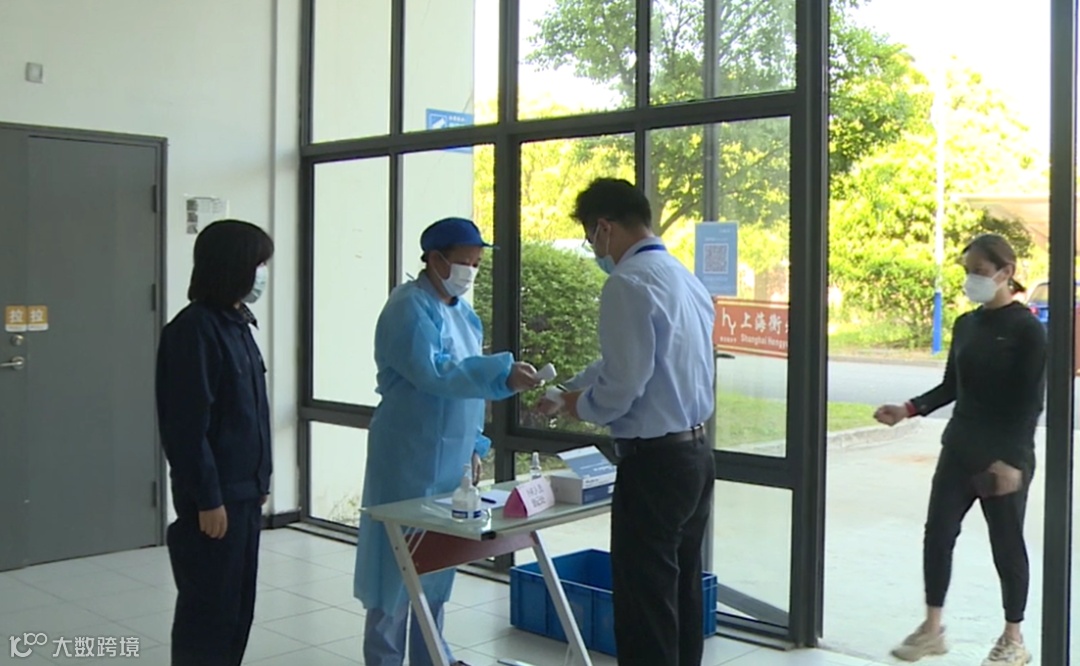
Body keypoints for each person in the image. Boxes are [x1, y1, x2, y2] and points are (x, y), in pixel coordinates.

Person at [539, 178, 717, 666]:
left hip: (654, 464)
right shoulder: (682, 277)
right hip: (694, 456)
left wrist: (577, 405)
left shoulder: (626, 283)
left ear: (604, 227)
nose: (594, 248)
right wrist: (569, 389)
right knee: (680, 589)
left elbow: (622, 385)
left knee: (645, 604)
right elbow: (627, 362)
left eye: (589, 236)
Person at [354, 217, 541, 666]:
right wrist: (502, 373)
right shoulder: (408, 308)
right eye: (464, 262)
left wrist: (474, 445)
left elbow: (467, 386)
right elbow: (436, 373)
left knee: (436, 563)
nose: (470, 272)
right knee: (396, 564)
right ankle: (384, 659)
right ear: (435, 259)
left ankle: (432, 657)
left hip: (451, 458)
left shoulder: (462, 313)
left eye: (476, 263)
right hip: (407, 453)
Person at [875, 234, 1045, 666]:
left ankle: (1013, 638)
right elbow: (951, 386)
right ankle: (932, 629)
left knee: (1006, 543)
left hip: (1002, 458)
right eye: (968, 272)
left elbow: (1030, 403)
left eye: (981, 272)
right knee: (938, 533)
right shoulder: (966, 325)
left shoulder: (1027, 330)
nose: (972, 280)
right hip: (960, 448)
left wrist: (1013, 461)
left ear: (1006, 273)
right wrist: (908, 409)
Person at [156, 220, 274, 666]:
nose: (263, 273)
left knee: (237, 609)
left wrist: (260, 480)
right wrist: (208, 498)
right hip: (215, 500)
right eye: (258, 263)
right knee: (208, 613)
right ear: (233, 266)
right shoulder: (193, 330)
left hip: (243, 494)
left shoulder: (238, 324)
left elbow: (248, 414)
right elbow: (187, 428)